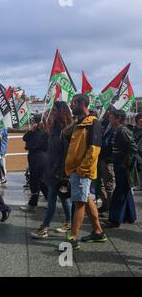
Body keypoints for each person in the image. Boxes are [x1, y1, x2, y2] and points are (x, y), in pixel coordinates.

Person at [63, 94, 107, 250]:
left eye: (73, 103)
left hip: (82, 170)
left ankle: (73, 238)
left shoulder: (93, 123)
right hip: (76, 169)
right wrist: (73, 123)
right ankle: (98, 231)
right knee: (86, 199)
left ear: (82, 103)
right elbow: (66, 135)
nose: (71, 106)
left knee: (79, 203)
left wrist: (82, 170)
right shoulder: (79, 122)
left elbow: (94, 150)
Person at [31, 101, 73, 239]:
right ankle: (69, 222)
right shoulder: (54, 129)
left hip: (58, 171)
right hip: (51, 168)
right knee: (63, 197)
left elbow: (65, 152)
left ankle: (45, 227)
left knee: (52, 198)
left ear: (62, 112)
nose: (52, 113)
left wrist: (62, 171)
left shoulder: (65, 130)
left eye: (55, 110)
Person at [104, 110, 139, 228]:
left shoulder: (123, 131)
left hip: (123, 165)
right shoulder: (116, 130)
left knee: (120, 191)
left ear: (118, 119)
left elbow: (133, 148)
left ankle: (115, 219)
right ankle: (130, 216)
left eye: (112, 117)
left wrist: (126, 163)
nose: (110, 119)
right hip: (118, 162)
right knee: (125, 190)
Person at [20, 115, 49, 211]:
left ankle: (33, 204)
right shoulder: (34, 131)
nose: (32, 123)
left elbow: (33, 144)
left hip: (39, 158)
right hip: (34, 158)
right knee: (40, 180)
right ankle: (50, 199)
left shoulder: (42, 132)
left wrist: (28, 146)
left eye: (33, 121)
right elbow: (24, 138)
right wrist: (31, 131)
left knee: (35, 180)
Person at [97, 105, 116, 214]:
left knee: (109, 184)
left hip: (108, 160)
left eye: (107, 110)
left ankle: (110, 208)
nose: (105, 112)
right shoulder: (103, 123)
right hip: (100, 158)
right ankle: (105, 204)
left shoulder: (115, 127)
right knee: (99, 184)